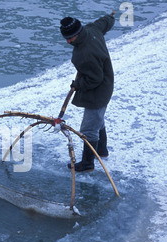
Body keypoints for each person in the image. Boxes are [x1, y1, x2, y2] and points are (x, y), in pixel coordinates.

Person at [60, 12, 115, 172]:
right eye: (66, 38)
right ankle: (101, 151)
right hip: (107, 84)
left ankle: (88, 163)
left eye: (71, 38)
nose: (68, 41)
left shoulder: (85, 54)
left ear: (78, 33)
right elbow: (105, 22)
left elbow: (94, 79)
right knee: (98, 120)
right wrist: (110, 16)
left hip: (98, 91)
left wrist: (78, 84)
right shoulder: (92, 29)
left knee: (89, 128)